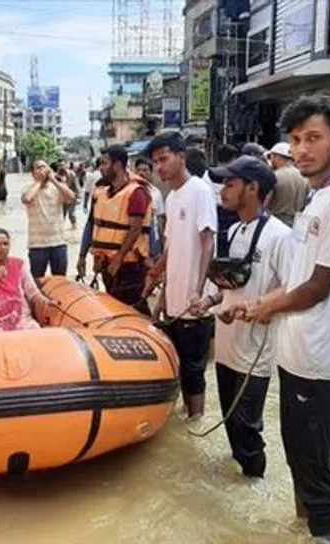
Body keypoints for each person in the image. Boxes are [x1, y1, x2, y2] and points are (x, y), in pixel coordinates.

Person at [230, 95, 330, 542]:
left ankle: (324, 535)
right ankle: (301, 529)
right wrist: (251, 303)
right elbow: (296, 277)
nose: (303, 148)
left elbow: (318, 286)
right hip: (295, 352)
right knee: (299, 459)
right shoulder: (315, 199)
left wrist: (268, 307)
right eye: (296, 140)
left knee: (316, 469)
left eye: (314, 138)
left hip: (320, 357)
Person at [191, 155, 291, 479]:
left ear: (253, 188)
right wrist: (208, 301)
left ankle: (254, 490)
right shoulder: (233, 231)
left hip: (254, 354)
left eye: (231, 184)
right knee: (232, 426)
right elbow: (230, 286)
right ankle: (237, 492)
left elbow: (291, 289)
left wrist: (250, 308)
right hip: (226, 349)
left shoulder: (280, 236)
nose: (223, 190)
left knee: (248, 432)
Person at [143, 131, 218, 422]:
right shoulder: (172, 198)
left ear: (181, 157)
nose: (159, 167)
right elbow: (171, 249)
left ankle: (195, 423)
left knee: (194, 370)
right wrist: (160, 293)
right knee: (178, 366)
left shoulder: (199, 191)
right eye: (155, 162)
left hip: (194, 304)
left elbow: (207, 241)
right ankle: (187, 417)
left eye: (164, 159)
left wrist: (198, 291)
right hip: (174, 300)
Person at [81, 145, 153, 313]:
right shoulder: (101, 191)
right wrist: (89, 255)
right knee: (114, 306)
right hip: (107, 263)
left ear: (118, 165)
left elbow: (135, 229)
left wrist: (119, 258)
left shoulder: (136, 193)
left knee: (133, 308)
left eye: (105, 163)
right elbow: (93, 225)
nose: (101, 168)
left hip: (129, 265)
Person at [0, 228, 53, 331]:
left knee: (35, 329)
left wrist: (45, 302)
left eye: (6, 244)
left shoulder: (20, 264)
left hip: (22, 319)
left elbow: (32, 293)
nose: (2, 248)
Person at [21, 159, 76, 278]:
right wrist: (39, 182)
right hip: (37, 245)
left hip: (58, 242)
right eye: (38, 168)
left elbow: (71, 198)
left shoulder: (57, 187)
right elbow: (27, 199)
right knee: (37, 281)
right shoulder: (28, 188)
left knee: (60, 282)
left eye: (44, 167)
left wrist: (53, 179)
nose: (42, 170)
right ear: (33, 173)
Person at [266, 142, 309, 228]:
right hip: (295, 224)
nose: (270, 160)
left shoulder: (274, 176)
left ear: (277, 157)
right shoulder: (304, 177)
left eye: (271, 156)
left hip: (275, 223)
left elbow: (265, 203)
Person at [134, 157, 166, 260]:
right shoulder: (130, 192)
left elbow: (160, 221)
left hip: (153, 242)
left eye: (145, 170)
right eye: (138, 170)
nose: (141, 173)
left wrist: (162, 245)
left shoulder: (156, 193)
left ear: (151, 173)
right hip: (135, 242)